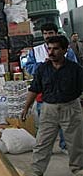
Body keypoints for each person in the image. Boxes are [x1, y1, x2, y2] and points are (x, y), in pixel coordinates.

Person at [21, 35, 83, 176]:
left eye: (55, 49)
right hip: (48, 109)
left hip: (70, 108)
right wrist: (26, 108)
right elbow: (34, 89)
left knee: (75, 144)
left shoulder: (75, 69)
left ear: (65, 50)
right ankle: (36, 173)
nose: (51, 52)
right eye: (49, 48)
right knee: (42, 142)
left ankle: (79, 172)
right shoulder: (42, 69)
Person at [24, 23, 77, 154]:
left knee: (67, 126)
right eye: (45, 34)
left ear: (56, 33)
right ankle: (45, 150)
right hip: (45, 96)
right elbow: (29, 67)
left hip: (65, 96)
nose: (48, 36)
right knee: (45, 126)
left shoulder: (67, 51)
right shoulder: (36, 51)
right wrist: (44, 66)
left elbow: (75, 69)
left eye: (51, 33)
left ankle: (66, 146)